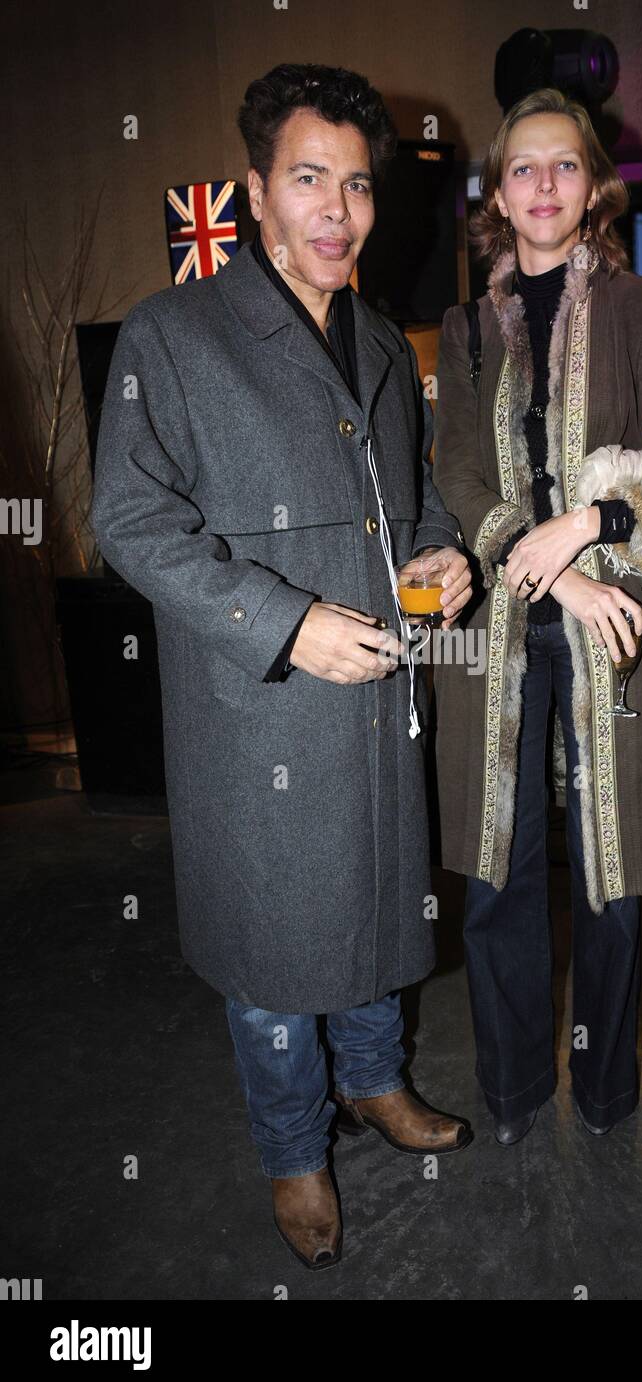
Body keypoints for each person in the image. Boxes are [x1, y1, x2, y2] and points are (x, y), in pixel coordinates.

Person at [91, 62, 474, 1272]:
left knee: (368, 911)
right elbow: (132, 523)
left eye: (356, 186)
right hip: (255, 715)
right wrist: (282, 621)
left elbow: (405, 502)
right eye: (308, 178)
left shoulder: (373, 337)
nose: (336, 209)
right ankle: (291, 1150)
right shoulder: (174, 330)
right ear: (254, 191)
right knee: (270, 960)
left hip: (372, 706)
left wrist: (441, 554)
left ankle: (372, 1083)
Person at [432, 88, 642, 1146]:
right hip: (504, 634)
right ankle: (511, 1095)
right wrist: (554, 563)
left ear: (594, 187)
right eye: (523, 169)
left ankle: (604, 1093)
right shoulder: (466, 330)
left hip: (621, 635)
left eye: (564, 167)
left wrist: (596, 519)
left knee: (611, 873)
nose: (544, 186)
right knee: (495, 873)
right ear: (498, 196)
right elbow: (459, 480)